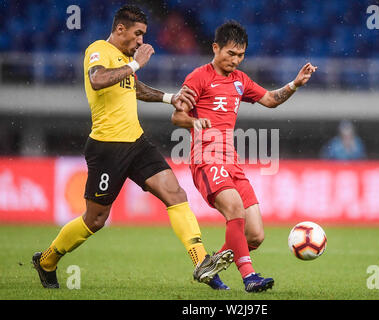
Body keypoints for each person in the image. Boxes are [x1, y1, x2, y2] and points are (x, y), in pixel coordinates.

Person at [32, 5, 233, 290]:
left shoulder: (125, 61)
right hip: (107, 148)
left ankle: (203, 264)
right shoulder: (98, 49)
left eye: (143, 35)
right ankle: (47, 260)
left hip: (136, 142)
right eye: (137, 34)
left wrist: (169, 98)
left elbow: (133, 87)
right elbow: (98, 80)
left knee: (175, 194)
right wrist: (136, 63)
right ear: (120, 29)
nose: (140, 41)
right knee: (95, 219)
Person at [171, 20, 317, 292]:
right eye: (230, 54)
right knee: (235, 210)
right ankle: (249, 277)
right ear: (216, 48)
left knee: (255, 234)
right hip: (206, 158)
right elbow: (177, 115)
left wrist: (294, 84)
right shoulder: (198, 77)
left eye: (240, 55)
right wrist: (194, 123)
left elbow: (270, 100)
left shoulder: (241, 81)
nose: (235, 60)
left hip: (231, 161)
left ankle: (209, 264)